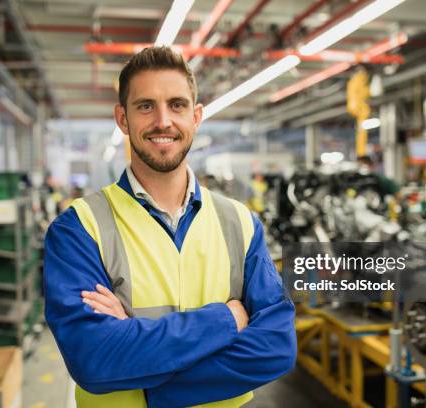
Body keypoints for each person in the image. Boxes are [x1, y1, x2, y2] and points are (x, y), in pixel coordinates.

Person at [44, 46, 296, 408]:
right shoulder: (79, 228)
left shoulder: (240, 222)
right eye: (145, 106)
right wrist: (225, 319)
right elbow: (94, 360)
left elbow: (276, 348)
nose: (163, 121)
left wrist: (149, 379)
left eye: (176, 105)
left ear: (196, 116)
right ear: (122, 118)